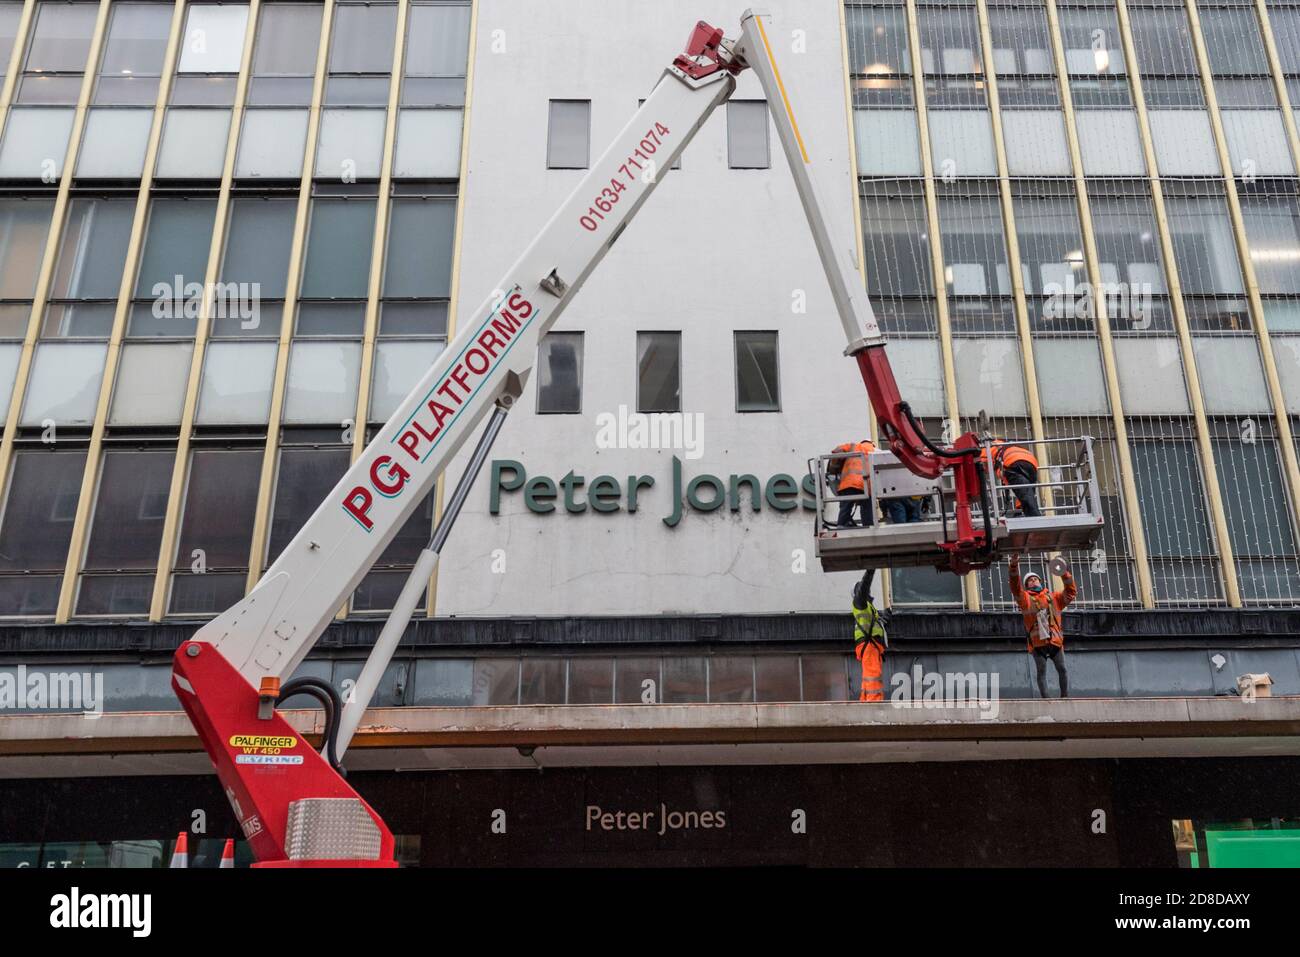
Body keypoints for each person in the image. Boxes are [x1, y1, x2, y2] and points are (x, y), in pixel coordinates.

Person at [1009, 553, 1076, 698]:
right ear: (1027, 586)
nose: (1034, 581)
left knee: (1062, 669)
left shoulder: (1054, 598)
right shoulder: (1025, 600)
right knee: (1041, 672)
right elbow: (1015, 587)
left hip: (1055, 643)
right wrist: (1014, 565)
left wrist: (1064, 573)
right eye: (1030, 581)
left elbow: (1070, 593)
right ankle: (1046, 701)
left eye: (1036, 579)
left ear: (1040, 582)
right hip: (1037, 644)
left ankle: (1065, 697)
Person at [851, 568, 888, 701]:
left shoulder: (868, 608)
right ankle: (874, 701)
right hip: (869, 645)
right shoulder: (860, 603)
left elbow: (875, 622)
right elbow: (864, 588)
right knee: (873, 673)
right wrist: (869, 572)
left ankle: (866, 699)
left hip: (870, 645)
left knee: (869, 675)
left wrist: (884, 616)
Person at [828, 439, 875, 528]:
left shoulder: (853, 446)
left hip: (848, 484)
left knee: (846, 506)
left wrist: (834, 467)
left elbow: (837, 451)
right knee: (867, 506)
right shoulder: (874, 450)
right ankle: (868, 525)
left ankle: (841, 525)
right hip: (865, 485)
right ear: (872, 443)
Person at [994, 440, 1042, 517]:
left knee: (1025, 494)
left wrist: (1002, 477)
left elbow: (986, 466)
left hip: (1013, 462)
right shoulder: (1008, 447)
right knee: (1027, 493)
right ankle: (1023, 511)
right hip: (1032, 462)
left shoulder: (990, 448)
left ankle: (1036, 519)